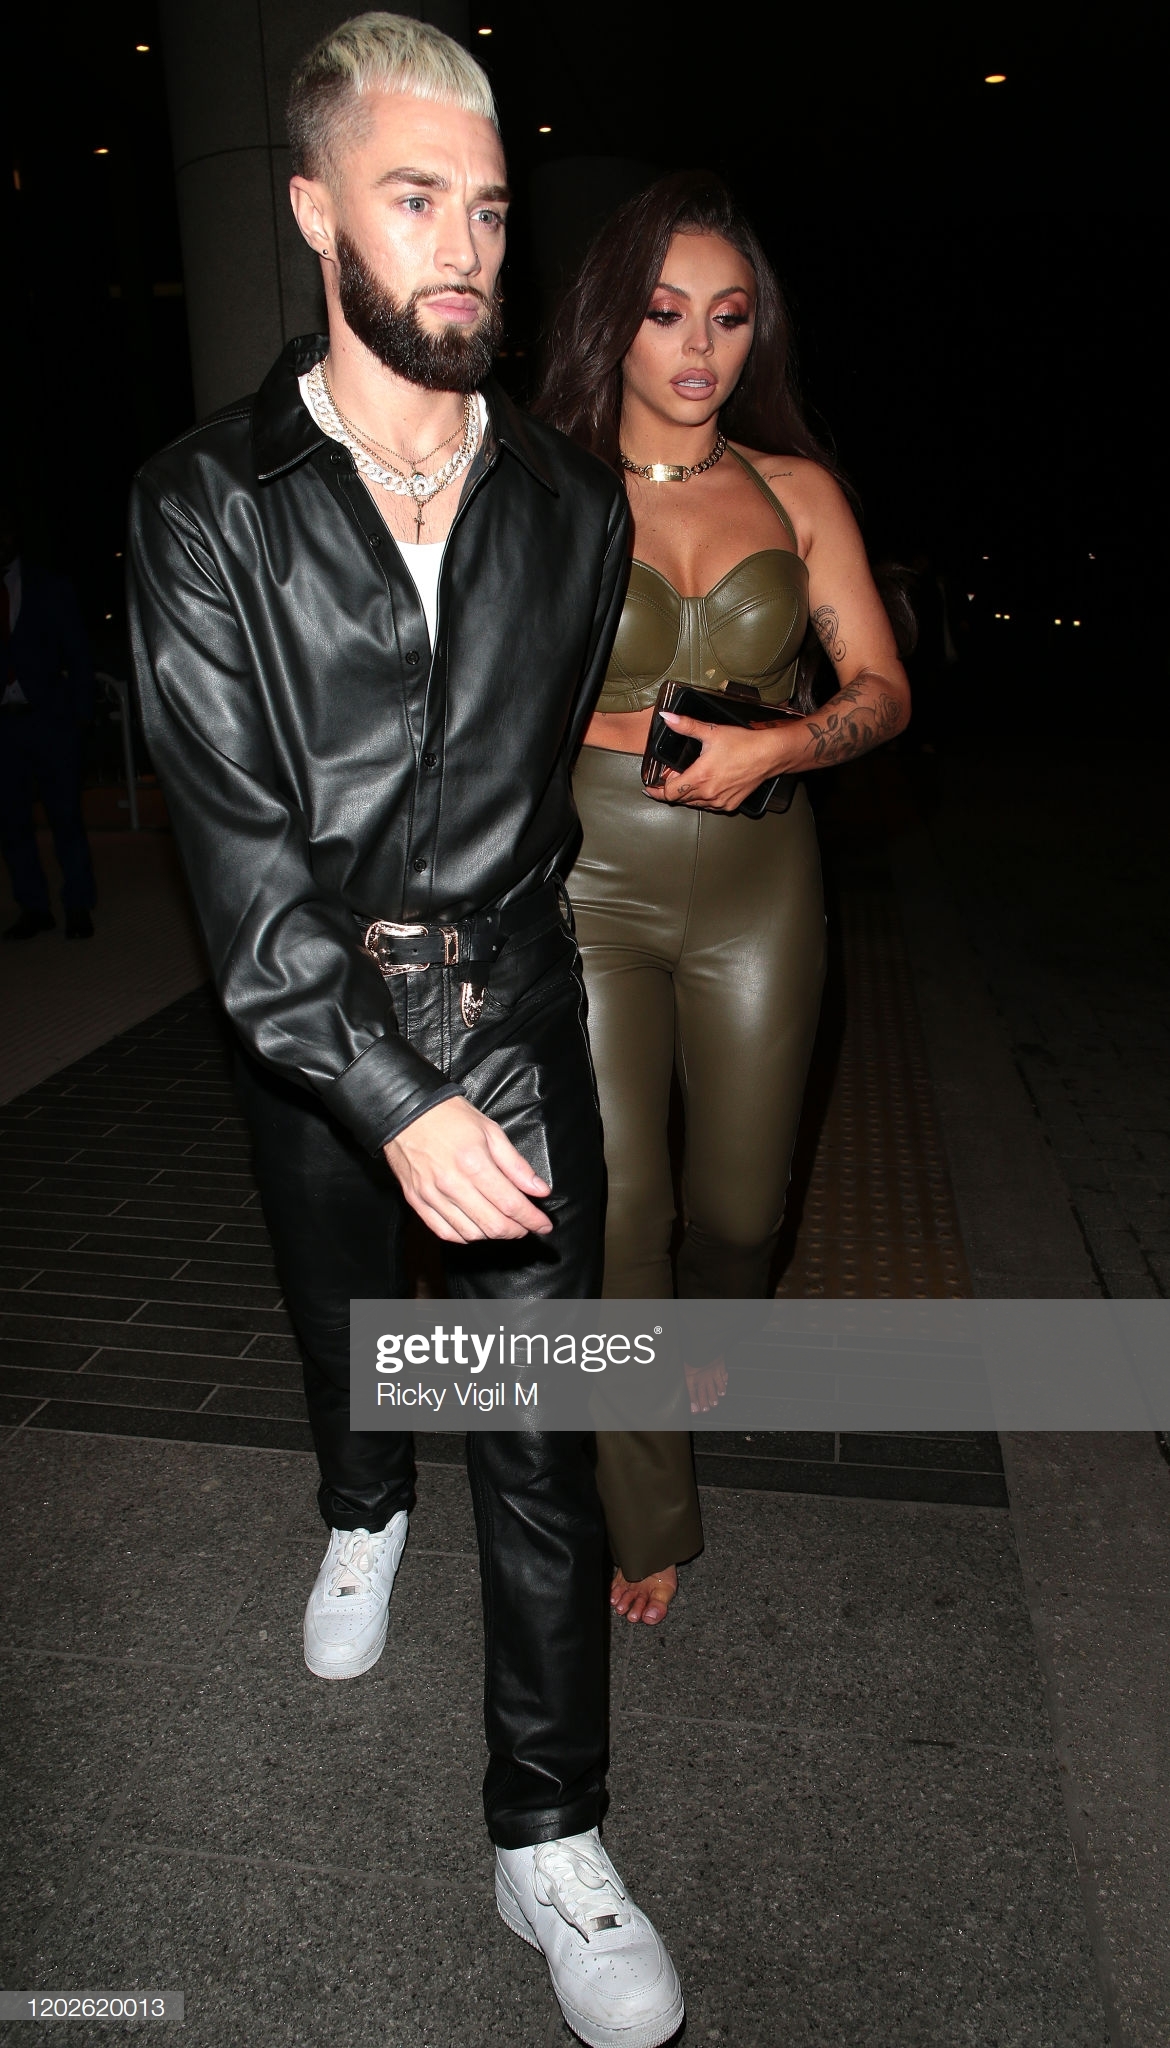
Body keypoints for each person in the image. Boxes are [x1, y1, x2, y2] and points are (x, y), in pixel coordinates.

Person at [127, 20, 683, 2048]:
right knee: (347, 1318)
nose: (467, 248)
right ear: (312, 213)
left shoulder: (571, 499)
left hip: (514, 1009)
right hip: (314, 1024)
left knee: (539, 1434)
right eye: (416, 198)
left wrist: (500, 1040)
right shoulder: (207, 505)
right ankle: (362, 1503)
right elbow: (240, 873)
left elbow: (533, 788)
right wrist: (386, 1091)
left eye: (493, 209)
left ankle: (549, 1828)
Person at [537, 171, 912, 1622]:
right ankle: (647, 1511)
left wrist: (784, 741)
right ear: (613, 323)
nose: (698, 345)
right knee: (622, 1202)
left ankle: (708, 1343)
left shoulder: (796, 493)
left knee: (741, 1210)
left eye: (729, 315)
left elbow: (880, 688)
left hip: (760, 878)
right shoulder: (546, 482)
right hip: (589, 874)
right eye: (664, 311)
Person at [0, 500, 96, 940]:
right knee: (11, 822)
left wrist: (79, 715)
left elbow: (78, 654)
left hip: (50, 720)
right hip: (3, 727)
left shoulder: (49, 585)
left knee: (66, 817)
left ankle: (78, 904)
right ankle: (33, 907)